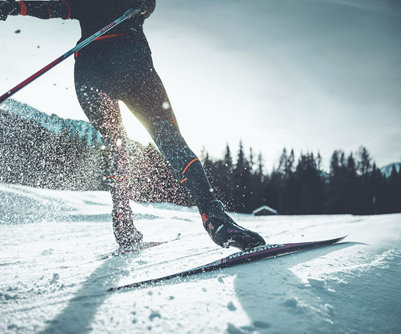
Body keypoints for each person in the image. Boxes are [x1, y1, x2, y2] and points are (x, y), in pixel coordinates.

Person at [0, 0, 266, 250]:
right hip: (132, 64)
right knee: (171, 142)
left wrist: (16, 5)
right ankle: (216, 220)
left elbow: (54, 7)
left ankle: (124, 229)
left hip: (90, 74)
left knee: (118, 149)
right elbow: (146, 5)